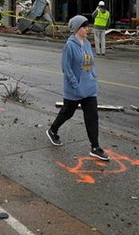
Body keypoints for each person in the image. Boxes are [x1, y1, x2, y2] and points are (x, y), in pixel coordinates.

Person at [46, 15, 110, 161]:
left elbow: (89, 62)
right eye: (84, 26)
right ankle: (52, 130)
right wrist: (76, 84)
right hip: (74, 90)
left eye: (87, 26)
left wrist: (92, 77)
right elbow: (66, 68)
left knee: (92, 116)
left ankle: (95, 147)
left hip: (89, 89)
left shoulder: (86, 43)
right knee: (67, 113)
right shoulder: (69, 45)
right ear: (76, 29)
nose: (87, 29)